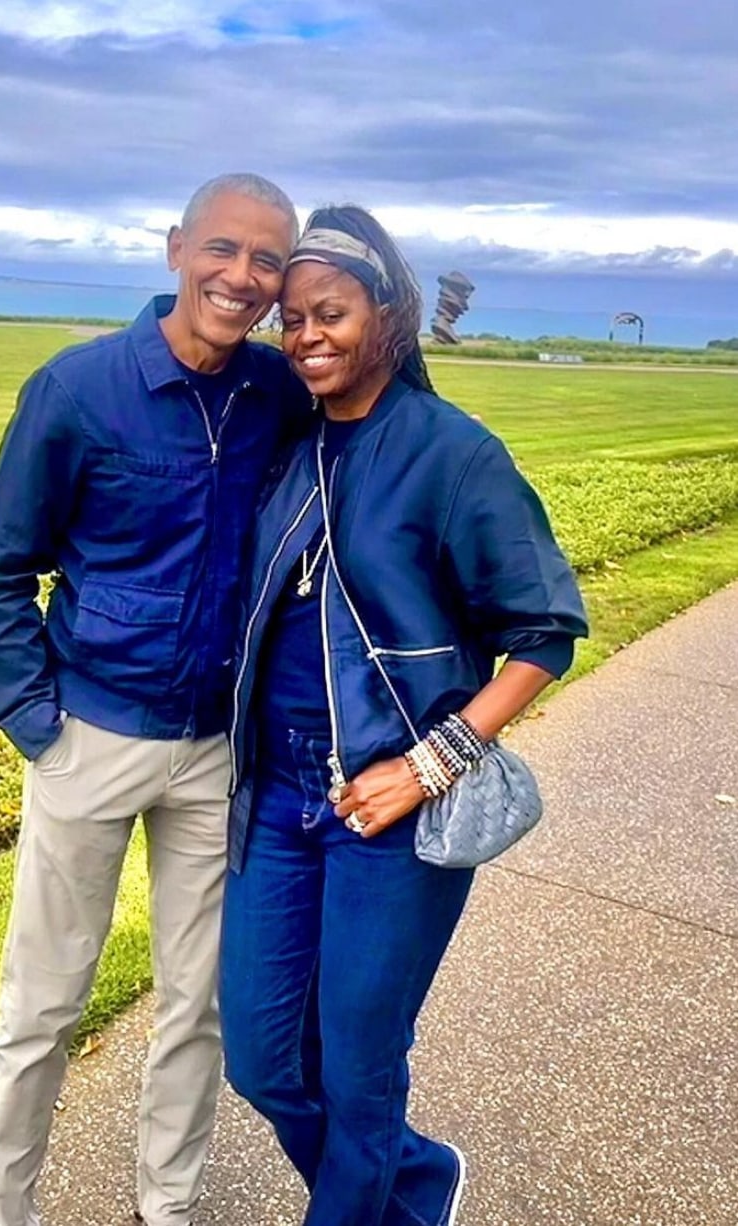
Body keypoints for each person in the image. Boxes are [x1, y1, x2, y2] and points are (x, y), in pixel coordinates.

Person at [220, 205, 588, 1226]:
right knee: (259, 1054)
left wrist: (431, 764)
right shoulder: (291, 444)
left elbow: (543, 634)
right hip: (278, 795)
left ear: (388, 315)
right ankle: (415, 1183)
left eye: (327, 313)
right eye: (289, 321)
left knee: (359, 1065)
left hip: (392, 808)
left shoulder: (452, 453)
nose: (304, 338)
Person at [0, 172, 311, 1226]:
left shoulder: (275, 396)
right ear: (175, 249)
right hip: (91, 738)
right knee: (42, 1006)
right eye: (222, 250)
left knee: (196, 1003)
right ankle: (1, 1210)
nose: (241, 278)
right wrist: (38, 725)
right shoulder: (77, 390)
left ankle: (168, 1204)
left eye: (265, 261)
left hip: (214, 749)